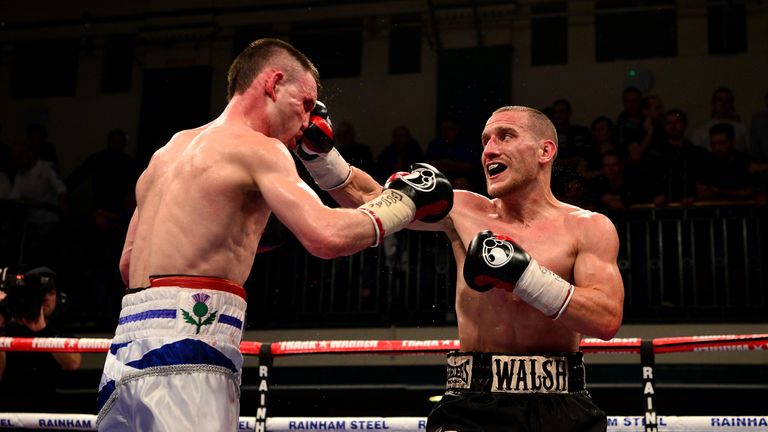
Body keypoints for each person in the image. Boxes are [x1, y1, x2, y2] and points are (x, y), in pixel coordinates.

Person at [96, 38, 453, 431]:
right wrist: (403, 202)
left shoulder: (167, 151)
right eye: (304, 104)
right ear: (273, 83)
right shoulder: (260, 149)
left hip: (124, 350)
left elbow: (128, 262)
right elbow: (325, 236)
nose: (307, 121)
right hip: (190, 348)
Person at [298, 105, 624, 431]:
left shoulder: (588, 228)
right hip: (472, 402)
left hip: (559, 404)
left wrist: (525, 276)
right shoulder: (464, 209)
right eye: (486, 141)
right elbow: (369, 197)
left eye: (505, 136)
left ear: (545, 150)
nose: (489, 149)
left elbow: (606, 318)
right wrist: (320, 156)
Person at [0, 267, 81, 415]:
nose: (45, 298)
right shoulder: (8, 327)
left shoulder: (58, 329)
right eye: (40, 294)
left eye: (51, 293)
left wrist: (42, 330)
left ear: (58, 297)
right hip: (8, 414)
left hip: (47, 414)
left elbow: (73, 363)